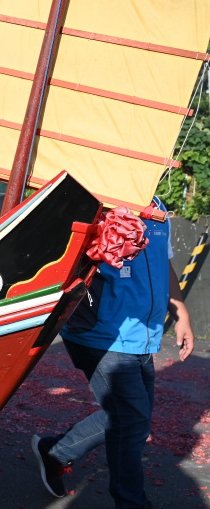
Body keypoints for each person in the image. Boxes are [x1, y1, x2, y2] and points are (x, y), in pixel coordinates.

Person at [32, 197, 195, 509]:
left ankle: (56, 453)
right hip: (101, 334)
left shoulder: (159, 208)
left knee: (130, 417)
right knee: (131, 420)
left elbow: (164, 262)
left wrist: (181, 313)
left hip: (143, 336)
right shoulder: (99, 199)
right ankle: (131, 503)